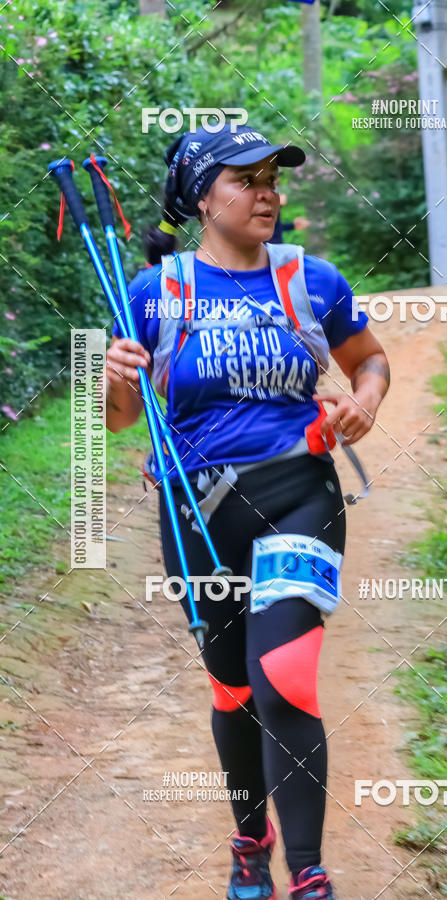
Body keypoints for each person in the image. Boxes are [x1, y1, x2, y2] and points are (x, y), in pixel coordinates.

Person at [105, 123, 389, 900]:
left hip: (300, 493)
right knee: (232, 687)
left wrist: (363, 401)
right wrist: (117, 375)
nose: (267, 192)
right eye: (245, 179)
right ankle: (248, 839)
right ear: (202, 199)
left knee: (283, 678)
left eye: (272, 177)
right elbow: (121, 419)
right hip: (196, 513)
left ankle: (308, 872)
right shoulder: (154, 294)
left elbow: (368, 360)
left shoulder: (311, 279)